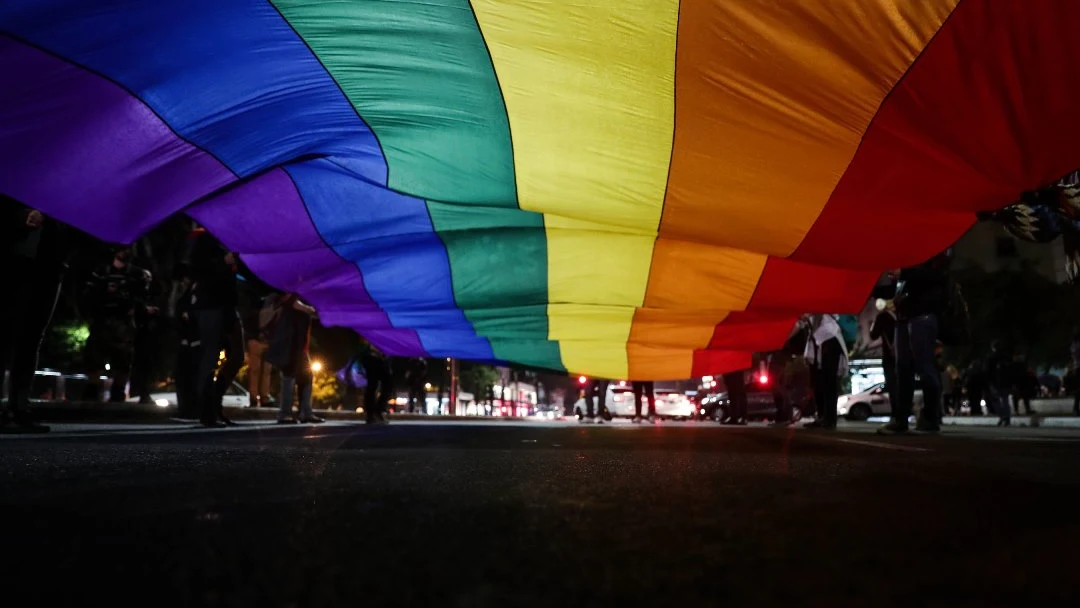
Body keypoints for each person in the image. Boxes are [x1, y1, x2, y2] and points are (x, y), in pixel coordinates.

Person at [0, 196, 75, 433]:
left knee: (32, 338)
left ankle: (20, 407)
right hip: (14, 263)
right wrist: (23, 217)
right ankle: (14, 407)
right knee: (5, 334)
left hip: (49, 267)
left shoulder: (63, 187)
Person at [879, 252, 948, 435]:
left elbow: (934, 277)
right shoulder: (907, 258)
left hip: (922, 317)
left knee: (925, 366)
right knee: (902, 369)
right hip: (905, 318)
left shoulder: (934, 251)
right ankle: (901, 419)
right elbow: (895, 289)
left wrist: (903, 272)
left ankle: (930, 417)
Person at [185, 227, 245, 428]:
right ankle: (207, 412)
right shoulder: (204, 238)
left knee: (238, 355)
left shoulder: (231, 237)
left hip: (227, 305)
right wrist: (223, 262)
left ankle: (214, 403)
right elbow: (196, 266)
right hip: (209, 303)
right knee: (210, 357)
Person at [81, 248, 152, 402]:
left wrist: (134, 305)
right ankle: (92, 392)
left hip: (124, 321)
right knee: (95, 356)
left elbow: (143, 297)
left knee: (123, 359)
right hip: (102, 319)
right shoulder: (101, 271)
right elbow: (89, 294)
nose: (125, 252)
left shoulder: (137, 274)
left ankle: (118, 393)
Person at [266, 293, 323, 424]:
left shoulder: (302, 288)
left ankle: (305, 412)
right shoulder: (289, 288)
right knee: (289, 374)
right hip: (290, 339)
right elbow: (292, 303)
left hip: (300, 341)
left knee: (306, 375)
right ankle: (285, 413)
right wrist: (311, 310)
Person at [803, 314, 848, 430]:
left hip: (829, 340)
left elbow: (817, 321)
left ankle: (830, 419)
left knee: (829, 383)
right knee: (821, 382)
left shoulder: (823, 317)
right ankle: (823, 416)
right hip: (823, 341)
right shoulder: (814, 319)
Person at [244, 291, 279, 408]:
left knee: (258, 371)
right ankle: (262, 397)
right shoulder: (271, 308)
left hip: (259, 340)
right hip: (261, 340)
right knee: (262, 371)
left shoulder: (254, 309)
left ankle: (257, 397)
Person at [870, 305, 898, 414]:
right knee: (904, 383)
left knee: (892, 384)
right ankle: (904, 412)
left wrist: (873, 324)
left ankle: (896, 414)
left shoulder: (883, 316)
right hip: (906, 354)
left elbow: (873, 335)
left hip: (889, 355)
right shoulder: (905, 312)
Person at [359, 340, 393, 424]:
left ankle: (379, 411)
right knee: (372, 385)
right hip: (371, 357)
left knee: (388, 385)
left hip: (382, 358)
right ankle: (371, 414)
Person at [985, 341, 1013, 426]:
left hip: (995, 382)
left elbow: (987, 371)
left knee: (995, 400)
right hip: (1006, 382)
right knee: (1005, 400)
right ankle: (1007, 418)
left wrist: (988, 382)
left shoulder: (991, 357)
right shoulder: (1006, 357)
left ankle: (1002, 416)